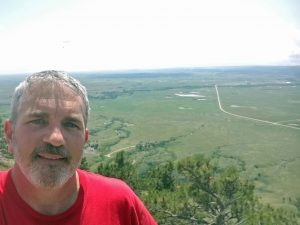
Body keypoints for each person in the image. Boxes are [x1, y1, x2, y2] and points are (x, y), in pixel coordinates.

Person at [0, 70, 157, 225]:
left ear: (84, 139)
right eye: (38, 121)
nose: (56, 139)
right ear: (10, 134)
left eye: (71, 124)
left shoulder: (119, 203)